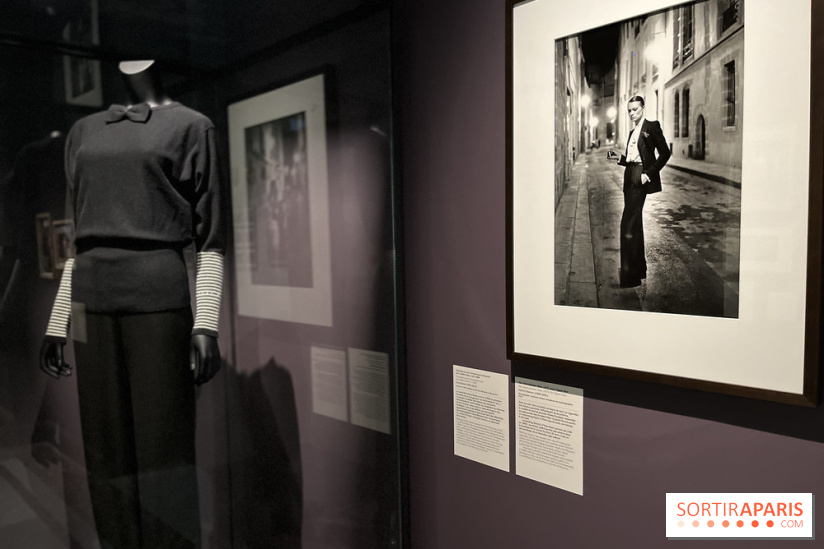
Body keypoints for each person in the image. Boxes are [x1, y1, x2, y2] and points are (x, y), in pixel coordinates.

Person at [39, 60, 225, 549]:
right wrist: (58, 321)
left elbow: (211, 241)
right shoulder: (83, 132)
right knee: (105, 457)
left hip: (158, 301)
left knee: (165, 454)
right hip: (92, 304)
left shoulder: (191, 126)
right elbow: (76, 242)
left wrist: (206, 324)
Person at [606, 95, 670, 288]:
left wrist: (648, 174)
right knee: (635, 224)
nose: (632, 113)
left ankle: (629, 276)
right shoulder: (633, 131)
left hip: (641, 176)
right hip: (629, 175)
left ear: (643, 108)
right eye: (629, 110)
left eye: (635, 109)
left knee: (627, 225)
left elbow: (665, 153)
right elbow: (633, 157)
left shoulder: (651, 127)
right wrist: (620, 158)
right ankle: (639, 269)